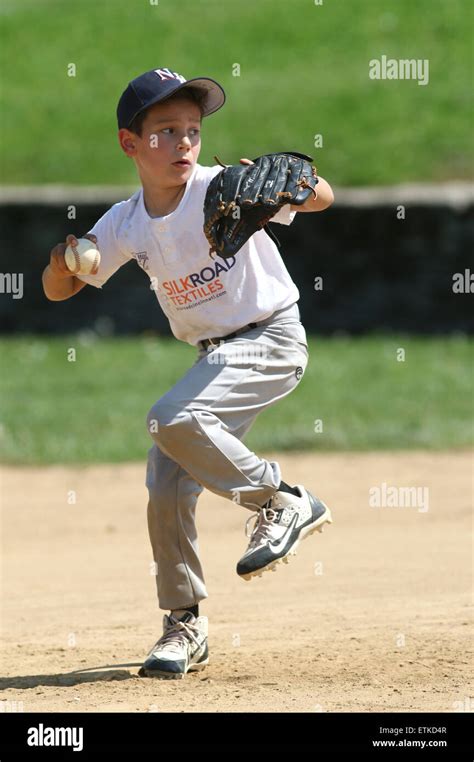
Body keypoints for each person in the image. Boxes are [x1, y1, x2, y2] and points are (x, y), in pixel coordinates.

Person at [42, 67, 335, 680]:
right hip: (215, 356)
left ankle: (281, 501)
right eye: (166, 131)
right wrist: (64, 258)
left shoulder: (221, 189)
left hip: (271, 338)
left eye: (194, 131)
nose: (183, 143)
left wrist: (293, 184)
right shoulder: (127, 222)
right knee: (167, 483)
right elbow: (58, 291)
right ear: (130, 143)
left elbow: (322, 197)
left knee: (169, 419)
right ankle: (185, 624)